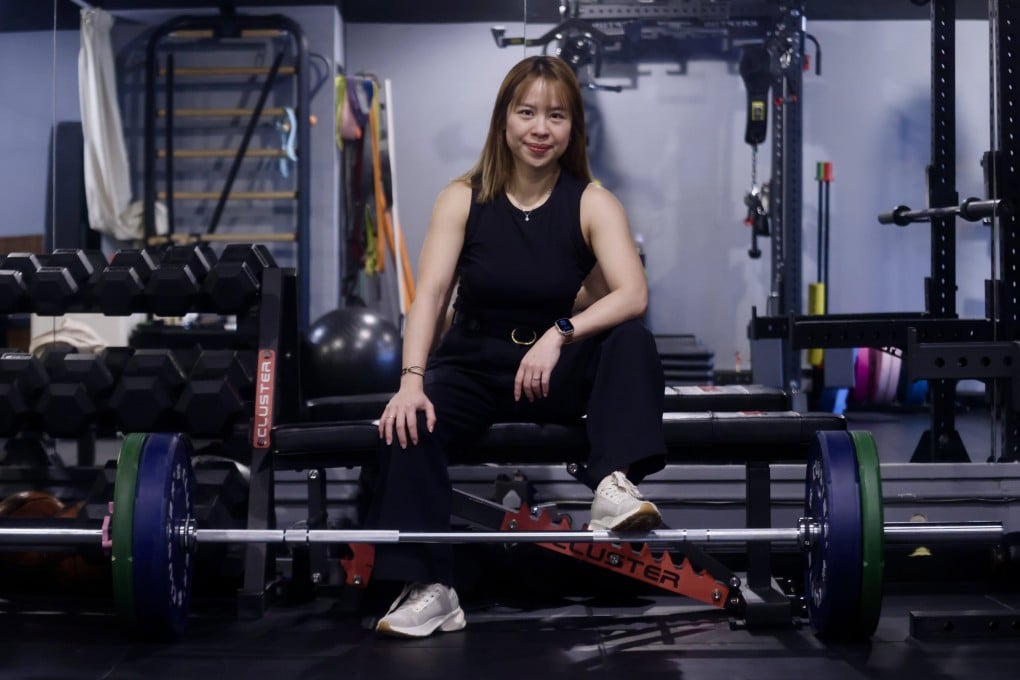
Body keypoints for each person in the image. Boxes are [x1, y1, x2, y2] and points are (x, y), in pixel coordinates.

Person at [367, 55, 667, 638]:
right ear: (504, 119)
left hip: (550, 369)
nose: (540, 128)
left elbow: (633, 294)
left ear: (573, 127)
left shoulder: (592, 202)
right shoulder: (463, 198)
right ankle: (431, 587)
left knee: (631, 341)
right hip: (474, 365)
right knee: (407, 421)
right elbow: (427, 297)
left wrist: (560, 334)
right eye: (526, 112)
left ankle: (612, 486)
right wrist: (409, 381)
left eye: (556, 116)